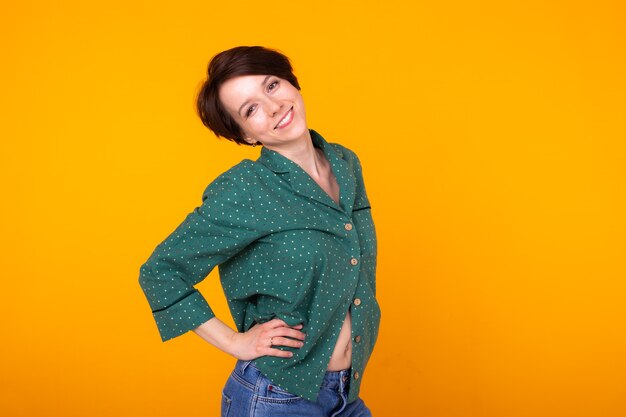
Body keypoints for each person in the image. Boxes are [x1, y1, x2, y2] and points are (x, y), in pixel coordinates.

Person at [138, 46, 381, 417]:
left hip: (346, 394)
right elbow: (160, 271)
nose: (272, 107)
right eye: (250, 109)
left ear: (292, 84)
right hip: (277, 399)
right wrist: (236, 342)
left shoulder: (345, 163)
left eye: (272, 86)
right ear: (245, 134)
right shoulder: (246, 188)